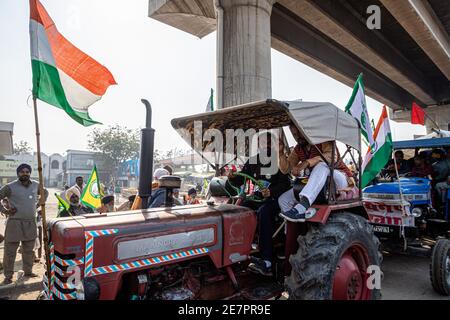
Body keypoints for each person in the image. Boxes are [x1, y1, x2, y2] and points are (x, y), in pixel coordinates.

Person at [228, 132, 291, 276]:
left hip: (275, 200)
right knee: (240, 208)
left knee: (264, 211)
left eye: (269, 142)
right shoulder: (253, 161)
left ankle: (267, 261)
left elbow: (286, 185)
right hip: (257, 198)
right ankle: (239, 251)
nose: (266, 145)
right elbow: (240, 180)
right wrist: (232, 177)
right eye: (262, 142)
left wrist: (271, 192)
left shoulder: (280, 161)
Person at [278, 125, 354, 222]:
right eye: (294, 134)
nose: (297, 137)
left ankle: (302, 206)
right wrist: (280, 153)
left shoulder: (323, 140)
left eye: (299, 133)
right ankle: (296, 230)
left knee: (322, 165)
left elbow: (331, 158)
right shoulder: (299, 148)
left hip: (339, 180)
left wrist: (306, 163)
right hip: (321, 185)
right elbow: (286, 169)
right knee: (283, 199)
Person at [0, 163, 48, 285]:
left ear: (30, 173)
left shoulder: (36, 185)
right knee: (10, 252)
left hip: (30, 223)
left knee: (29, 250)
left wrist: (39, 205)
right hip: (14, 223)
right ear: (18, 173)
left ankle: (28, 271)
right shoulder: (10, 187)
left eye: (27, 172)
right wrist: (5, 210)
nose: (25, 173)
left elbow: (45, 193)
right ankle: (8, 276)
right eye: (22, 172)